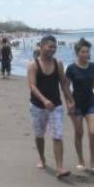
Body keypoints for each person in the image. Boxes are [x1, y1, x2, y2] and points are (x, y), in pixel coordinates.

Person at [28, 35, 75, 178]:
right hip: (37, 106)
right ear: (41, 47)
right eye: (50, 46)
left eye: (55, 47)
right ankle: (42, 158)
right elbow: (32, 86)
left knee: (57, 135)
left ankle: (60, 167)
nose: (52, 49)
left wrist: (70, 100)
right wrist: (44, 100)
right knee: (39, 135)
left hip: (55, 106)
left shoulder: (58, 63)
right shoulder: (33, 65)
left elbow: (63, 83)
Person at [65, 38, 94, 175]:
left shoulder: (93, 66)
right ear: (77, 52)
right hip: (77, 104)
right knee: (79, 133)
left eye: (87, 51)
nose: (86, 54)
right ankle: (81, 160)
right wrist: (69, 103)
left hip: (90, 102)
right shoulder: (71, 68)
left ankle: (93, 161)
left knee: (92, 132)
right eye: (83, 51)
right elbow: (65, 87)